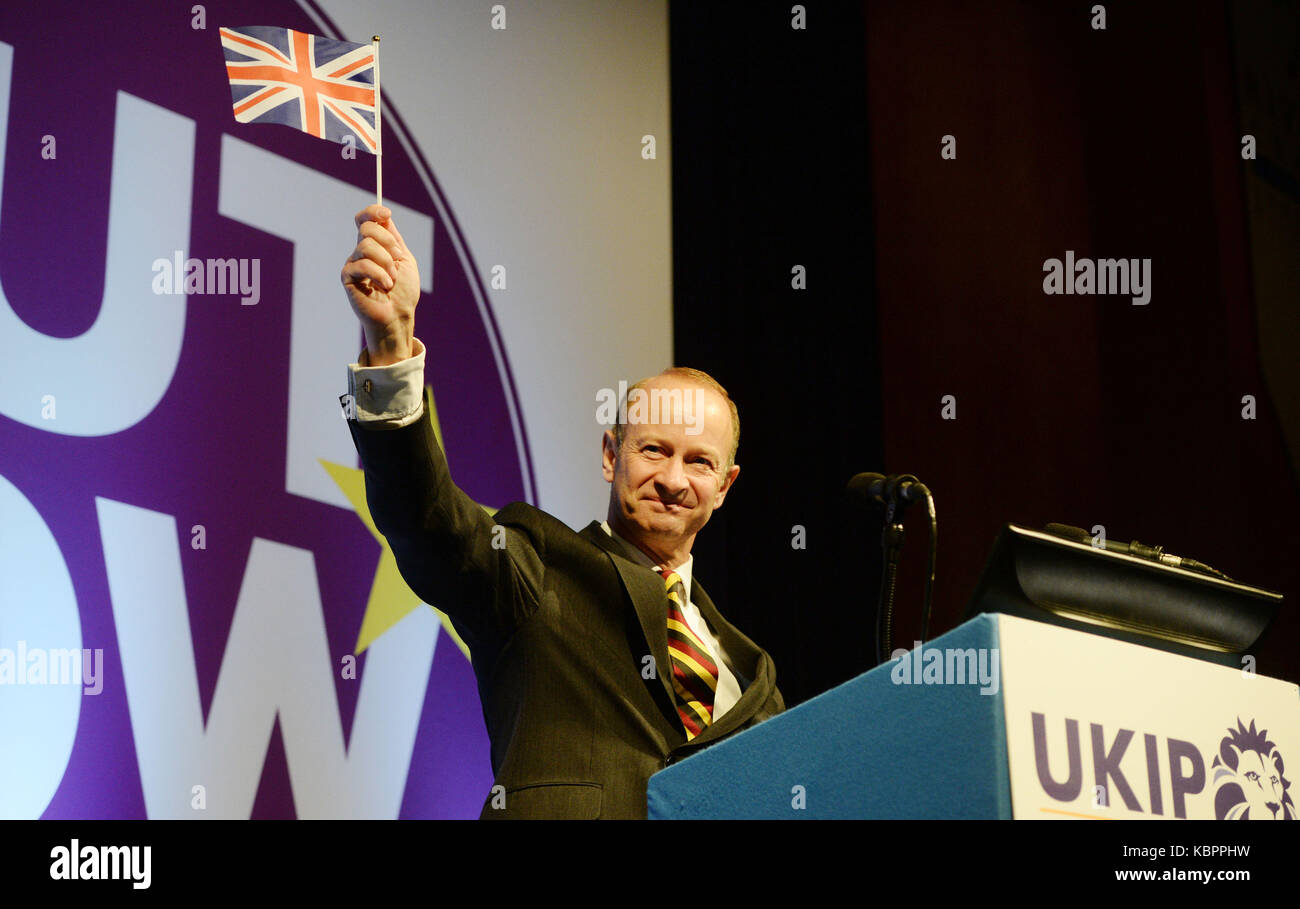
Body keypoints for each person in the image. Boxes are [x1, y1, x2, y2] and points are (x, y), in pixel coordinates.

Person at [339, 204, 783, 819]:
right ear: (610, 454)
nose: (674, 480)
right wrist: (390, 347)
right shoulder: (534, 570)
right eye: (653, 450)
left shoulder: (753, 675)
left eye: (699, 463)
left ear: (726, 484)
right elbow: (428, 516)